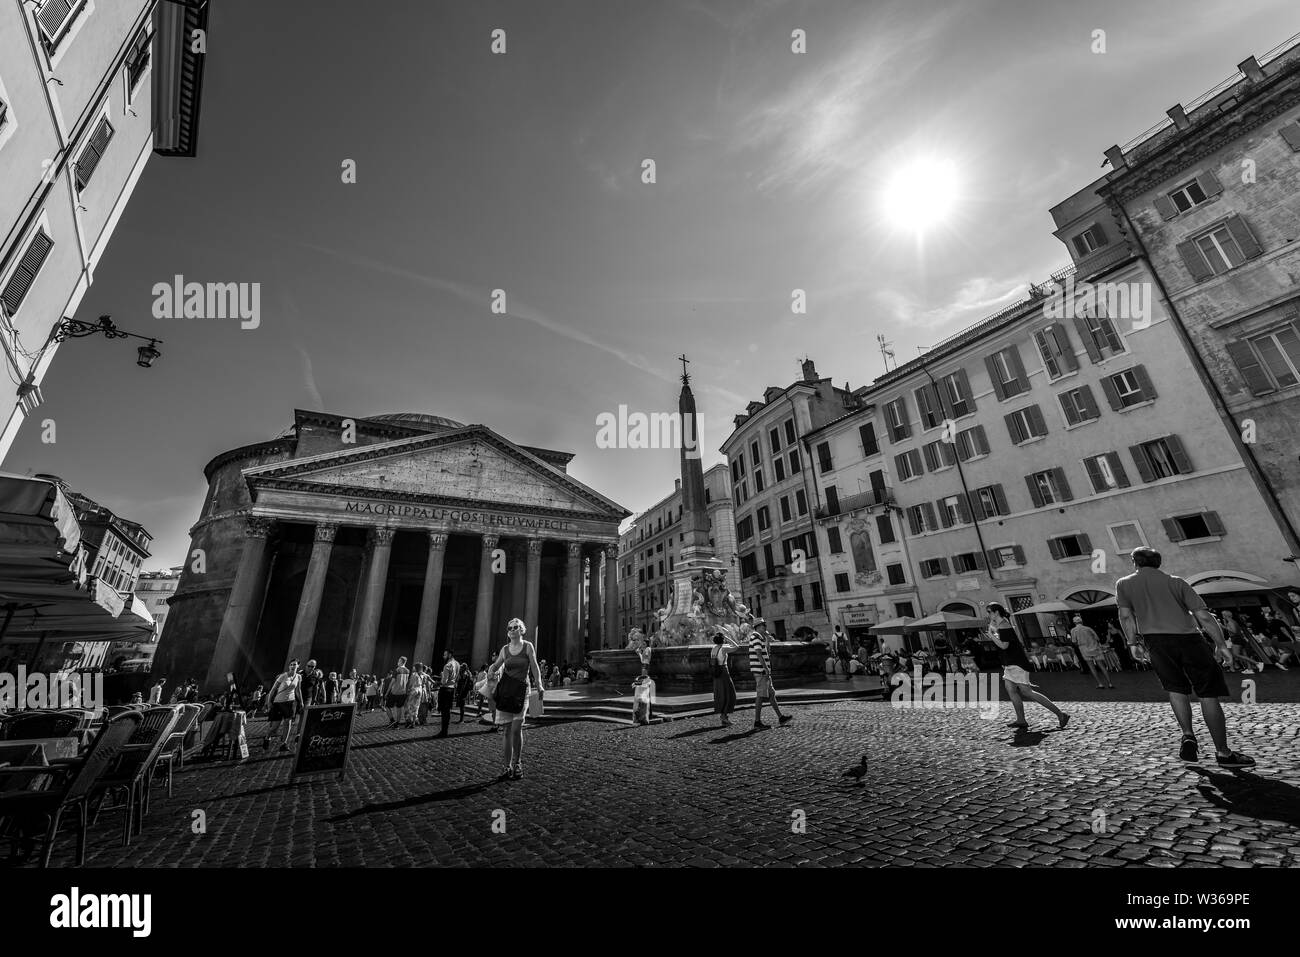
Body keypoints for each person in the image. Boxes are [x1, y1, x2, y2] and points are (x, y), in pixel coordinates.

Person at [1116, 547, 1253, 768]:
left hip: (1156, 642)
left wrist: (1132, 643)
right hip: (1189, 639)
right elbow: (1203, 616)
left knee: (1176, 689)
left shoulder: (1124, 584)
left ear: (1135, 562)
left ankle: (1188, 734)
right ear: (1158, 562)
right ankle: (1223, 753)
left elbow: (1125, 615)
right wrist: (1221, 644)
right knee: (1208, 694)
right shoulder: (1176, 582)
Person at [987, 603, 1069, 732]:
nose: (988, 614)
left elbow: (1004, 646)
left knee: (1027, 692)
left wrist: (991, 636)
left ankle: (1060, 714)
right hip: (1010, 663)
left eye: (989, 611)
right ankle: (1021, 720)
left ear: (996, 612)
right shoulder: (1001, 625)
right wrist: (994, 632)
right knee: (1011, 689)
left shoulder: (1004, 625)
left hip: (1017, 663)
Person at [487, 618, 543, 780]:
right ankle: (506, 766)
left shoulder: (527, 646)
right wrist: (491, 671)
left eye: (515, 627)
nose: (512, 629)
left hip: (521, 691)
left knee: (516, 729)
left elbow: (534, 666)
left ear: (521, 630)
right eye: (510, 627)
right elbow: (496, 665)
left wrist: (539, 683)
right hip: (506, 693)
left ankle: (517, 763)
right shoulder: (505, 649)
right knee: (506, 731)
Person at [749, 621, 791, 729]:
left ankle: (781, 717)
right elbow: (758, 654)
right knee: (761, 696)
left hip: (764, 671)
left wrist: (768, 640)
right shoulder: (755, 637)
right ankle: (757, 722)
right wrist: (766, 668)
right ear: (758, 627)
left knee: (771, 695)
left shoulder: (761, 637)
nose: (765, 628)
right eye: (764, 626)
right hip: (761, 671)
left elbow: (767, 653)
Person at [264, 660, 303, 752]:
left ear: (298, 666)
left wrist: (301, 702)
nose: (292, 666)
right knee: (274, 727)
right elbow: (273, 690)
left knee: (288, 723)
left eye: (294, 665)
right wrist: (269, 702)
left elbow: (298, 690)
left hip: (290, 703)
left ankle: (284, 744)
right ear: (289, 666)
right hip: (278, 703)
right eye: (291, 665)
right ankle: (267, 737)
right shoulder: (283, 676)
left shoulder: (299, 677)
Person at [1070, 615, 1114, 689]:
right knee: (1102, 666)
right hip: (1095, 648)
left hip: (1084, 649)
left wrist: (1080, 644)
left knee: (1091, 667)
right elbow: (1097, 638)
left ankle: (1100, 684)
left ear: (1074, 622)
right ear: (1081, 621)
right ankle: (1110, 683)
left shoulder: (1073, 630)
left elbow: (1074, 641)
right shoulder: (1088, 628)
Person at [711, 632, 737, 727]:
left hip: (716, 673)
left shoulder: (713, 648)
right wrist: (728, 637)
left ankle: (724, 716)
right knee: (729, 693)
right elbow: (736, 646)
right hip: (723, 672)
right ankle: (724, 717)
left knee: (721, 694)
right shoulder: (724, 648)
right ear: (723, 640)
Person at [436, 650, 460, 738]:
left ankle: (443, 731)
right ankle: (445, 730)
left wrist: (439, 679)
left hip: (445, 690)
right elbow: (457, 677)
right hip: (451, 689)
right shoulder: (457, 664)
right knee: (447, 711)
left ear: (450, 655)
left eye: (445, 654)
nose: (443, 656)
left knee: (444, 711)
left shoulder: (447, 665)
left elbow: (444, 681)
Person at [385, 656, 411, 727]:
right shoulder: (408, 671)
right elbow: (407, 682)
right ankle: (397, 723)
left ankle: (392, 720)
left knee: (387, 706)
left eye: (398, 661)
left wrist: (387, 692)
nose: (397, 662)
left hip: (395, 692)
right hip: (403, 692)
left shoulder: (397, 670)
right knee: (399, 708)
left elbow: (392, 682)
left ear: (402, 662)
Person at [455, 658, 474, 723]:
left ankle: (461, 719)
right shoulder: (467, 673)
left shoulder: (465, 674)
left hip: (463, 691)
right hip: (464, 691)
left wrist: (459, 692)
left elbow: (463, 684)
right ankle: (461, 719)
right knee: (461, 705)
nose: (460, 668)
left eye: (461, 667)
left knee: (462, 705)